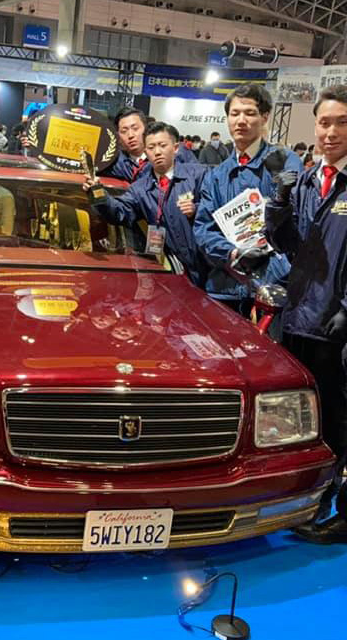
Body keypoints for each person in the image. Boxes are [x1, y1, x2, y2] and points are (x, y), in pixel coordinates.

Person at [265, 85, 347, 542]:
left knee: (341, 418)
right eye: (324, 122)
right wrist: (277, 206)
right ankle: (311, 500)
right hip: (300, 316)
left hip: (337, 324)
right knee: (307, 418)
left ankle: (344, 514)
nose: (330, 132)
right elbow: (288, 247)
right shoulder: (309, 181)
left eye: (341, 123)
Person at [193, 83, 303, 314]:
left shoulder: (285, 162)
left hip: (275, 289)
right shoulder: (216, 176)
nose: (241, 120)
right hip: (224, 289)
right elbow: (203, 229)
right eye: (235, 114)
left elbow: (298, 220)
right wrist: (233, 253)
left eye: (249, 113)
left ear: (265, 117)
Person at [83, 122, 208, 286]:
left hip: (210, 266)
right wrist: (97, 193)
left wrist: (196, 209)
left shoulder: (198, 175)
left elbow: (218, 208)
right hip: (177, 270)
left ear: (175, 148)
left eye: (162, 145)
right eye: (151, 147)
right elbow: (119, 211)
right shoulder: (140, 189)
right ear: (145, 152)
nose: (157, 152)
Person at [99, 106, 148, 182]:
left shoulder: (158, 157)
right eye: (124, 131)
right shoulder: (114, 162)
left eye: (135, 128)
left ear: (146, 129)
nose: (130, 135)